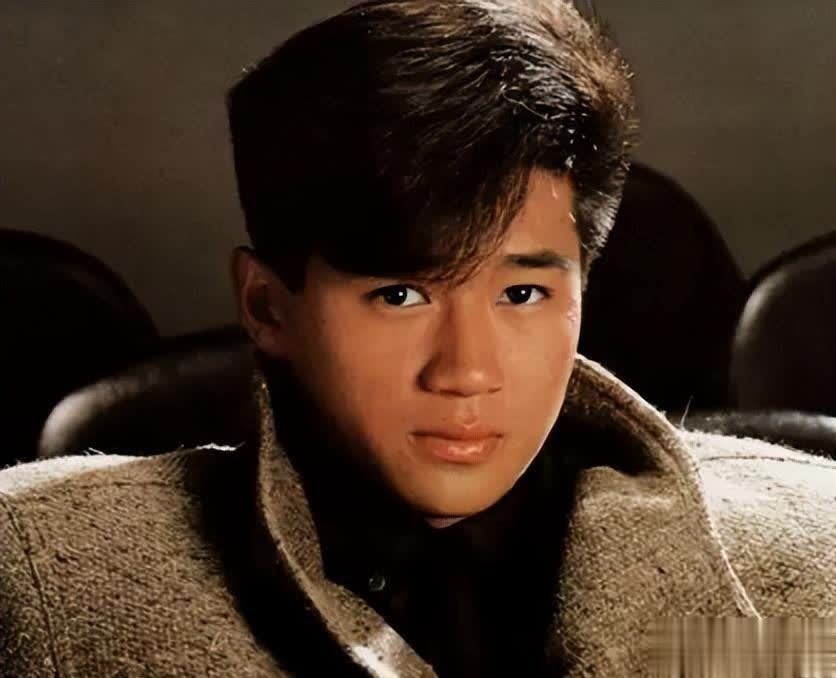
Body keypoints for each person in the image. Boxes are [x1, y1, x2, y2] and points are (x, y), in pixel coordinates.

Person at [1, 1, 834, 676]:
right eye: (399, 295)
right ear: (265, 306)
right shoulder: (41, 580)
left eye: (522, 293)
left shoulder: (810, 555)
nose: (465, 371)